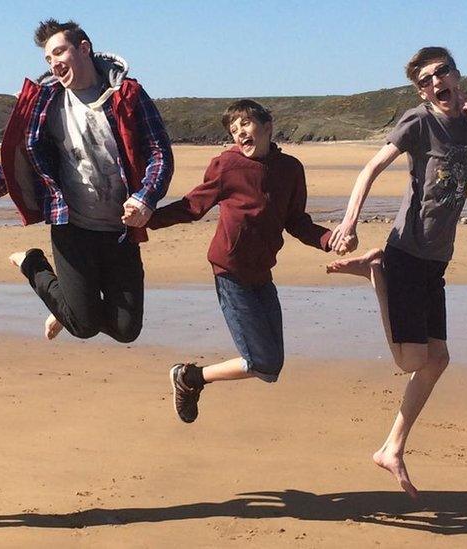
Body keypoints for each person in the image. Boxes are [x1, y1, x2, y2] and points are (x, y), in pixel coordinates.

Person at [325, 47, 467, 498]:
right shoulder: (417, 121)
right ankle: (377, 272)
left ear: (457, 74)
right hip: (405, 252)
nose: (435, 83)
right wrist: (349, 221)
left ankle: (391, 448)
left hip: (437, 259)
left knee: (438, 360)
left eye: (440, 73)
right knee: (410, 362)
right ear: (420, 90)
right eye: (425, 81)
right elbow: (371, 168)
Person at [136, 100, 354, 423]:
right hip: (230, 271)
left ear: (267, 126)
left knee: (271, 365)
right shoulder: (227, 166)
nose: (239, 133)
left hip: (262, 274)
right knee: (261, 361)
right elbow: (192, 206)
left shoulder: (291, 170)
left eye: (246, 124)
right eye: (233, 129)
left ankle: (190, 378)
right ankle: (190, 378)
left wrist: (328, 239)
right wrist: (147, 218)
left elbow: (296, 221)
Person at [0, 19, 173, 342]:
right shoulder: (45, 104)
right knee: (85, 326)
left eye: (59, 52)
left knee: (127, 330)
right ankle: (33, 264)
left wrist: (146, 197)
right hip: (72, 228)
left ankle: (69, 306)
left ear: (84, 49)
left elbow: (159, 152)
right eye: (48, 59)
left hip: (120, 231)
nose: (54, 64)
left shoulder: (126, 95)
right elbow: (18, 162)